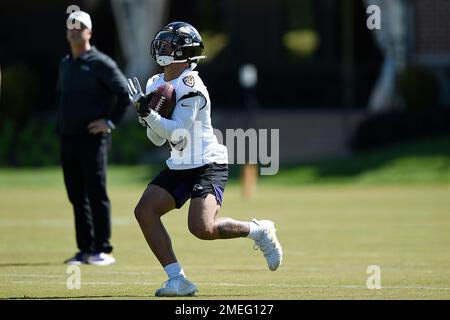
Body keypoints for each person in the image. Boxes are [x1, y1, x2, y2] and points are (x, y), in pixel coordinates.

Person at [127, 21, 283, 296]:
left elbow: (176, 132)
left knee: (202, 228)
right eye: (162, 43)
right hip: (179, 165)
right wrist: (146, 117)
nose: (161, 48)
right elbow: (158, 138)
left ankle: (258, 230)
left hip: (207, 164)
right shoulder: (155, 82)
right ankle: (178, 279)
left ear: (183, 52)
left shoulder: (191, 85)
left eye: (169, 44)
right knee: (145, 211)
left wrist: (148, 113)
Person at [57, 10, 129, 265]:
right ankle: (84, 249)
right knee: (76, 195)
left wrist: (109, 122)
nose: (75, 30)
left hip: (93, 139)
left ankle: (102, 249)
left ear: (89, 32)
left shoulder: (101, 62)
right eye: (71, 26)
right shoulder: (66, 63)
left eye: (80, 26)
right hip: (68, 138)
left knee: (96, 192)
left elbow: (124, 93)